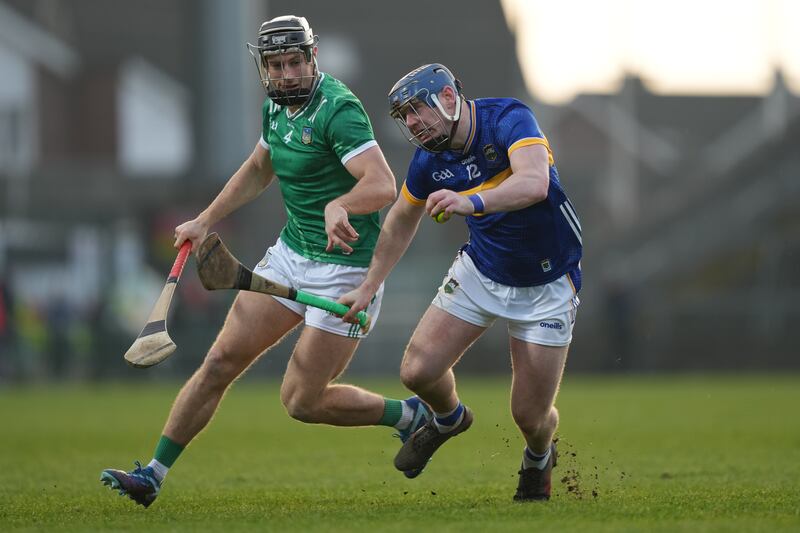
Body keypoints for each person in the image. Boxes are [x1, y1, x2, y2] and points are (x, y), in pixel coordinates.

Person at [100, 16, 432, 508]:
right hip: (291, 256)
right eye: (277, 66)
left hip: (347, 270)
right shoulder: (275, 109)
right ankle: (152, 474)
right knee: (218, 362)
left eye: (295, 62)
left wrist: (339, 205)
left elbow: (383, 184)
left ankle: (408, 417)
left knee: (302, 400)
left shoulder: (338, 111)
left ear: (311, 59)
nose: (287, 74)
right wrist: (204, 220)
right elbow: (259, 169)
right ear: (265, 69)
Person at [339, 64, 583, 500]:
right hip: (482, 271)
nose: (412, 123)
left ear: (448, 98)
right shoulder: (429, 161)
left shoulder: (509, 118)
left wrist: (471, 202)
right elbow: (399, 221)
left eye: (417, 110)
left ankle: (538, 455)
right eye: (405, 116)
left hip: (547, 282)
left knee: (529, 415)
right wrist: (369, 284)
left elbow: (534, 183)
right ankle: (449, 418)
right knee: (417, 371)